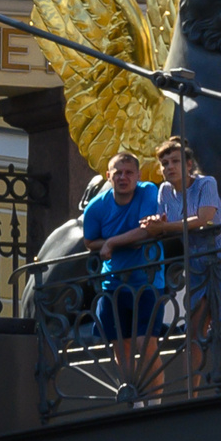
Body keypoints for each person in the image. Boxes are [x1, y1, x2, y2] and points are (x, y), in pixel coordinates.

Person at [143, 137, 221, 390]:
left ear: (189, 164)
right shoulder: (165, 191)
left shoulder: (206, 183)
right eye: (164, 163)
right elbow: (164, 225)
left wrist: (164, 227)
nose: (169, 167)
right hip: (197, 263)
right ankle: (193, 393)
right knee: (194, 331)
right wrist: (154, 225)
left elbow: (204, 219)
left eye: (175, 161)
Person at [76, 151, 166, 401]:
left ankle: (155, 403)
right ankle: (134, 400)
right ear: (108, 176)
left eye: (129, 173)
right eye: (118, 173)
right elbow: (89, 241)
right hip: (112, 284)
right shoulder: (97, 206)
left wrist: (112, 243)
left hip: (147, 281)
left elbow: (148, 231)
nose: (123, 177)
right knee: (121, 348)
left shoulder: (148, 191)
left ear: (138, 175)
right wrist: (109, 244)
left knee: (146, 345)